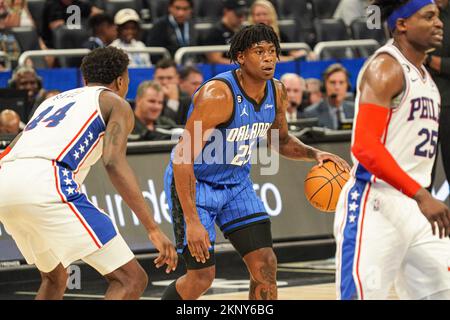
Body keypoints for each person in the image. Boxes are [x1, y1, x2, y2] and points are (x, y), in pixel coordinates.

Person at [161, 24, 350, 300]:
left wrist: (315, 153)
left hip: (236, 184)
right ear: (240, 57)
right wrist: (191, 221)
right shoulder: (218, 95)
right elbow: (182, 157)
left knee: (265, 264)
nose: (268, 58)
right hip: (196, 184)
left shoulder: (277, 91)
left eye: (272, 51)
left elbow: (281, 141)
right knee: (201, 277)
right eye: (259, 51)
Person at [0, 47, 177, 300]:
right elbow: (113, 163)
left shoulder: (49, 103)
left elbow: (10, 150)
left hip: (6, 183)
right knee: (131, 279)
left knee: (54, 277)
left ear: (85, 80)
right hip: (47, 182)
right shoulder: (115, 102)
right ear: (120, 81)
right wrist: (152, 228)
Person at [334, 0, 450, 300]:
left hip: (417, 208)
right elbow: (364, 147)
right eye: (428, 17)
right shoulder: (386, 67)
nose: (439, 23)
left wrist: (420, 195)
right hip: (376, 202)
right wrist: (422, 195)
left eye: (438, 17)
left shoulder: (428, 80)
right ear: (402, 24)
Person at [426, 0, 450, 189]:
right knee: (422, 175)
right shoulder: (414, 10)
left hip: (448, 105)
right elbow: (373, 20)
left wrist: (427, 59)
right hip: (421, 105)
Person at [248, 0, 314, 61]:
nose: (262, 18)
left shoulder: (279, 32)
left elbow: (292, 52)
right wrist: (292, 58)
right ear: (252, 17)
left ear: (271, 15)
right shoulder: (248, 35)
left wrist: (306, 53)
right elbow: (267, 59)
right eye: (258, 15)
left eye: (265, 14)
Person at [302, 64, 355, 130]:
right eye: (332, 82)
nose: (337, 87)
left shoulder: (355, 110)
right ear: (324, 86)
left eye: (341, 83)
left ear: (347, 86)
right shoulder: (311, 113)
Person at [202, 0, 248, 64]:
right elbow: (215, 59)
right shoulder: (216, 32)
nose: (242, 18)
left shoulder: (243, 31)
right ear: (226, 11)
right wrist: (241, 63)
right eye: (239, 14)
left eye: (244, 14)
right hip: (223, 70)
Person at [153, 58, 191, 125]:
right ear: (154, 78)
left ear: (177, 79)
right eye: (160, 78)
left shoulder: (187, 99)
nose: (164, 82)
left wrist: (173, 100)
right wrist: (173, 100)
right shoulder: (149, 99)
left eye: (169, 78)